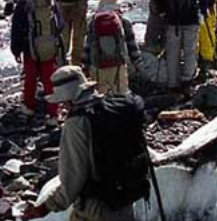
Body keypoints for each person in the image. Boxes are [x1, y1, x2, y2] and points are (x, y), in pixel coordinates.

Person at [22, 66, 150, 221]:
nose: (63, 106)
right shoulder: (113, 108)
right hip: (124, 199)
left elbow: (73, 177)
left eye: (63, 101)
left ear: (69, 98)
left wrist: (45, 207)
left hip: (96, 207)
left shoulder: (77, 123)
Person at [154, 0, 209, 92]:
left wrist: (163, 14)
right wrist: (204, 13)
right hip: (191, 19)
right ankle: (187, 79)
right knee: (190, 50)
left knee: (172, 52)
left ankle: (173, 83)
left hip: (172, 21)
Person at [10, 0, 64, 119]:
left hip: (30, 48)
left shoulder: (23, 3)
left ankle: (29, 107)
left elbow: (17, 28)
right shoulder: (51, 0)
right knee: (49, 79)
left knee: (30, 78)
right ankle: (53, 112)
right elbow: (60, 24)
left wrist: (16, 50)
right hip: (49, 47)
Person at [82, 0, 140, 95]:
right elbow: (132, 45)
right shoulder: (123, 21)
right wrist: (136, 63)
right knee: (120, 93)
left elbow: (87, 46)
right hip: (119, 65)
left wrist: (85, 66)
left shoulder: (93, 21)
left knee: (100, 95)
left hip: (97, 65)